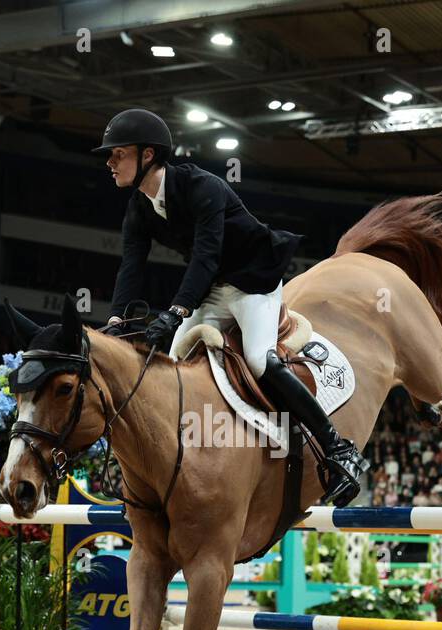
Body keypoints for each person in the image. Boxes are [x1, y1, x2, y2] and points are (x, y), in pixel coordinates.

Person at [94, 108, 368, 507]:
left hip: (253, 282)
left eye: (117, 153)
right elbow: (131, 264)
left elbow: (205, 256)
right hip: (213, 289)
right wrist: (116, 321)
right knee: (171, 365)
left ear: (148, 155)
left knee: (259, 360)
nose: (109, 162)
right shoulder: (139, 206)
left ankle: (337, 448)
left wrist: (175, 312)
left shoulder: (203, 187)